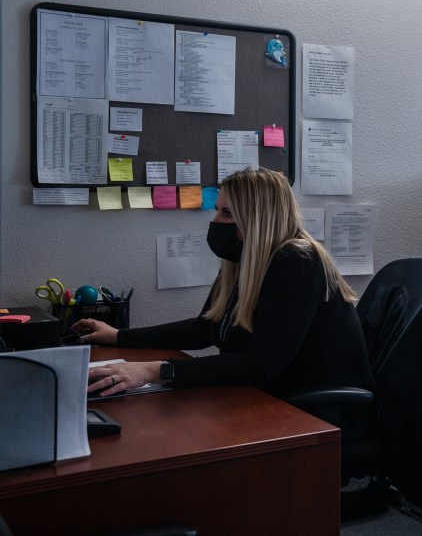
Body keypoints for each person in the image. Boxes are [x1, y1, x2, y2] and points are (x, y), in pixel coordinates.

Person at [75, 168, 375, 408]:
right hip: (265, 397)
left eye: (227, 214)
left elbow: (260, 365)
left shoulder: (296, 261)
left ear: (256, 218)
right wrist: (118, 336)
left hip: (319, 412)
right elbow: (203, 329)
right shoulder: (245, 259)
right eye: (217, 211)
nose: (215, 222)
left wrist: (155, 370)